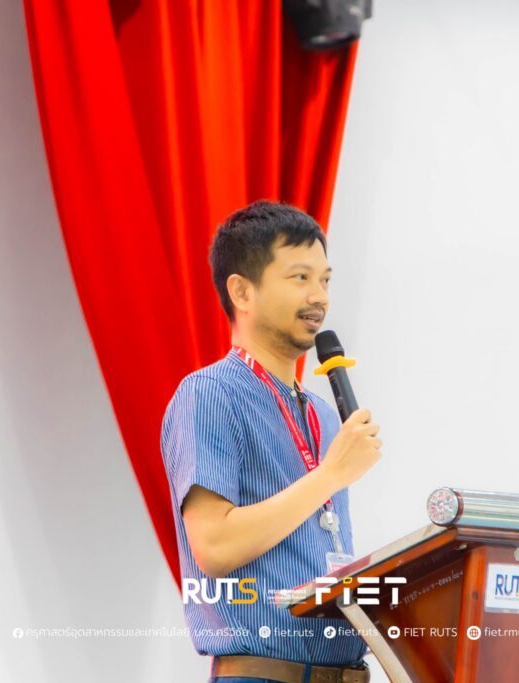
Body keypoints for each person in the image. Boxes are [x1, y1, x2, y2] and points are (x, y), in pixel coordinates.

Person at [161, 200, 383, 683]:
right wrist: (331, 474)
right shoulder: (209, 394)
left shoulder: (324, 416)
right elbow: (215, 545)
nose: (319, 297)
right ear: (241, 291)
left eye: (325, 280)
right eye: (300, 277)